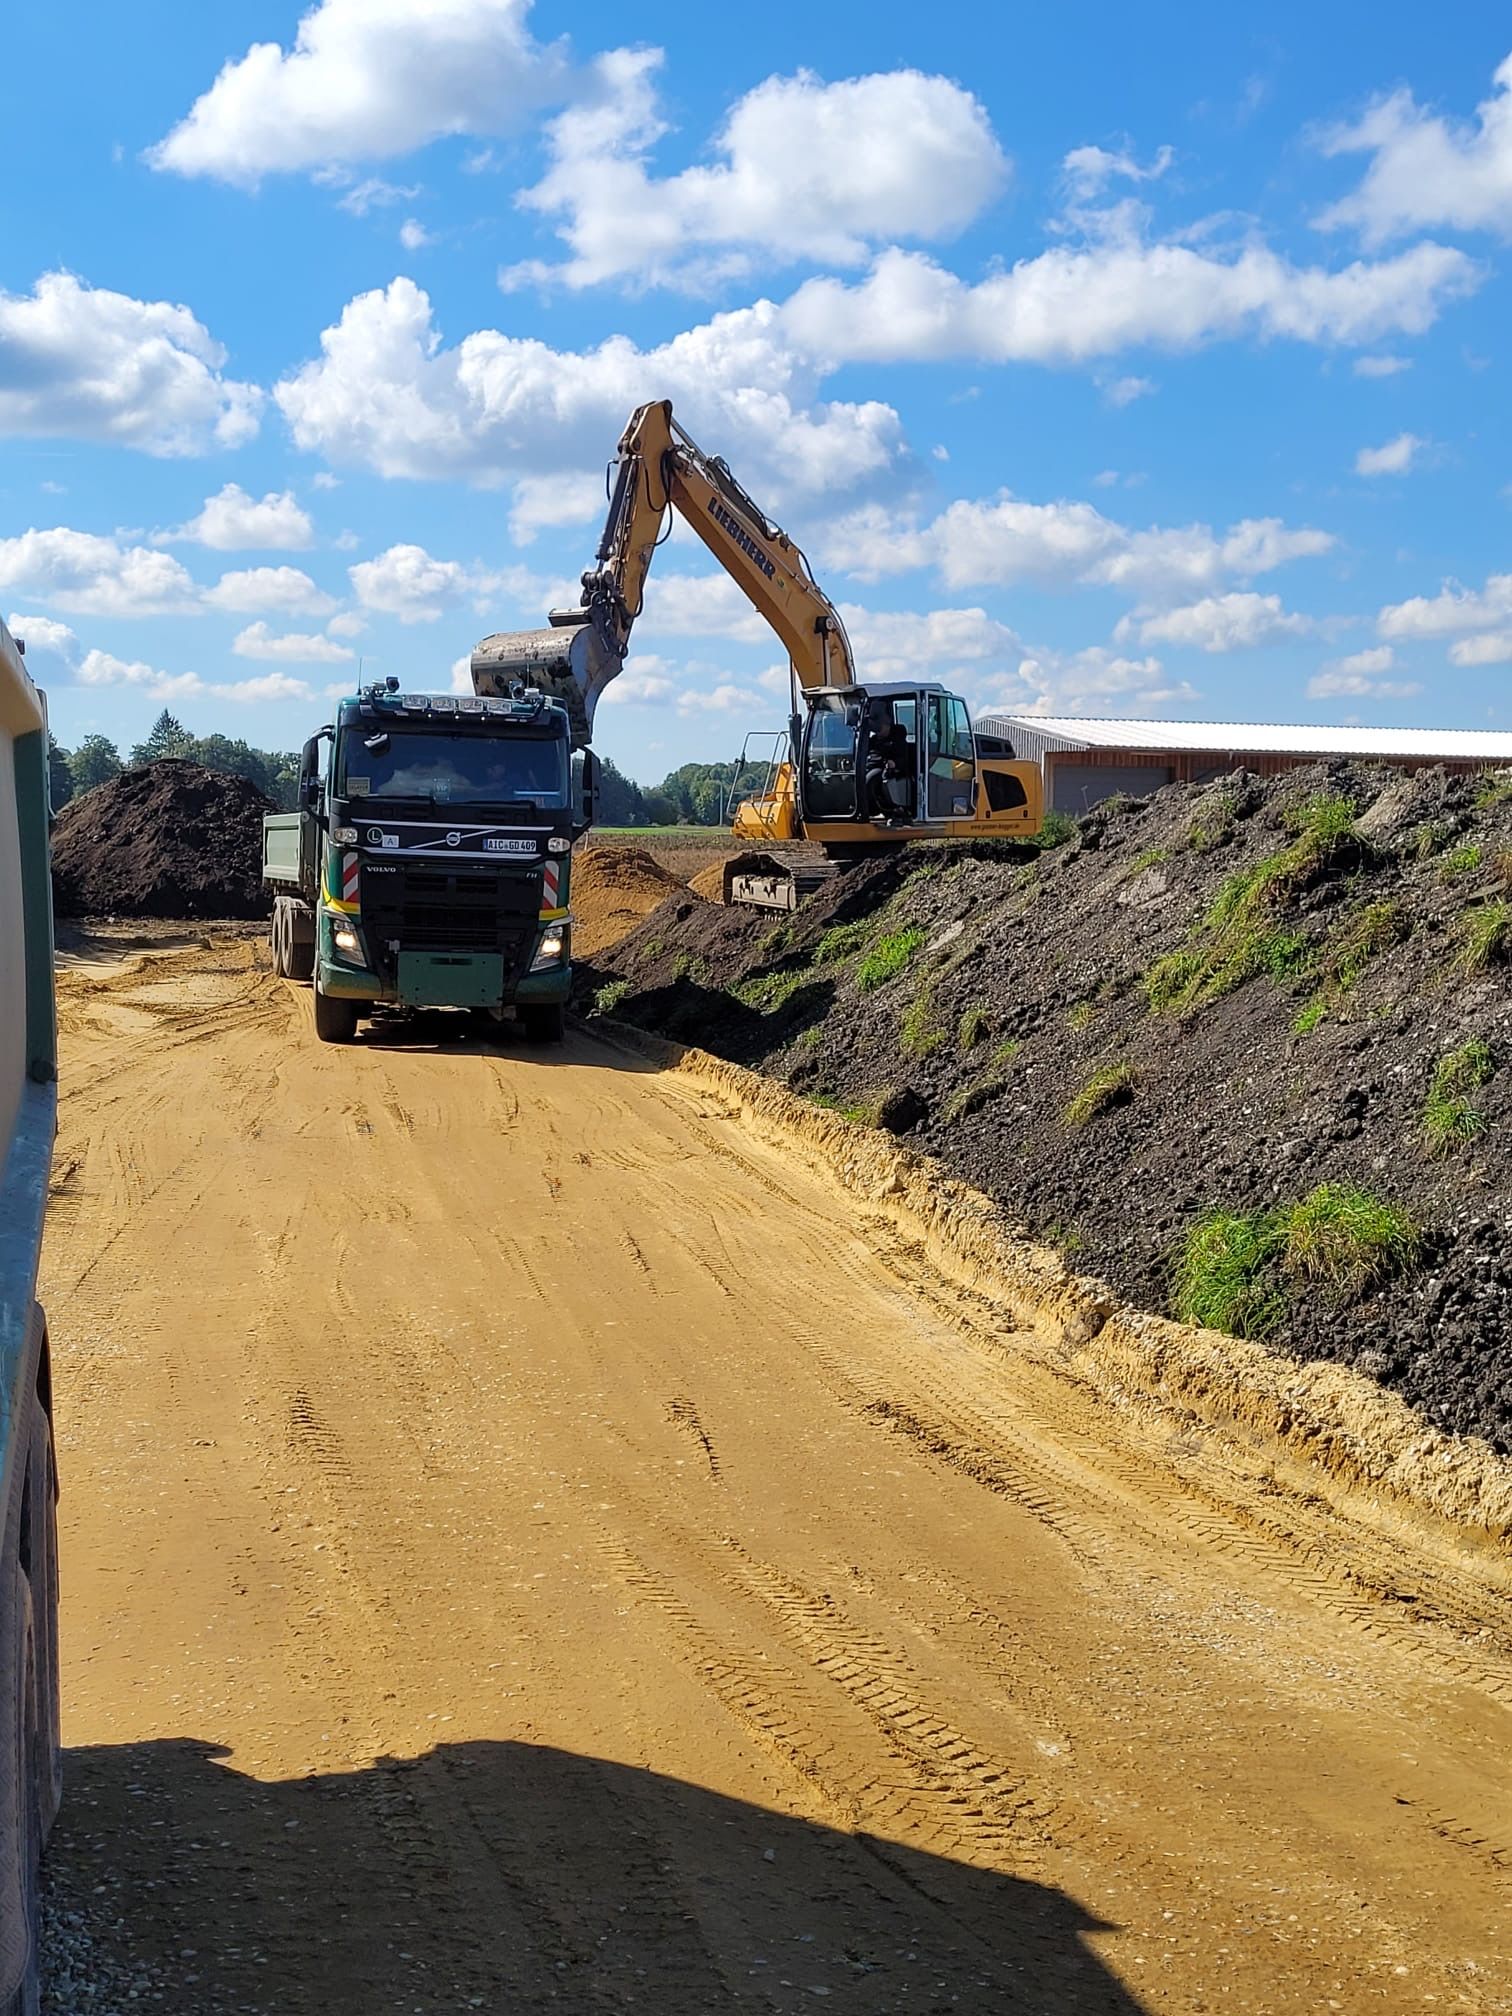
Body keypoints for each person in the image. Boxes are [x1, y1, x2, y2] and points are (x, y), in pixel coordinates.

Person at [866, 711, 913, 821]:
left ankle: (873, 810)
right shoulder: (872, 741)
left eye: (880, 728)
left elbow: (904, 759)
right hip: (868, 766)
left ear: (887, 725)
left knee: (869, 780)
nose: (877, 732)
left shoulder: (898, 741)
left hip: (885, 769)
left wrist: (894, 763)